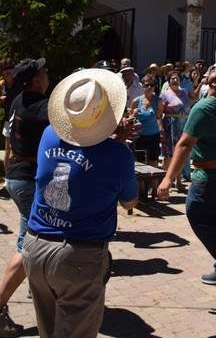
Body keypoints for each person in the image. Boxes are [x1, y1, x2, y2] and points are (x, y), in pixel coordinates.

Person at [21, 67, 138, 338]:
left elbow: (76, 159)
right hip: (78, 253)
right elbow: (129, 200)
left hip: (35, 245)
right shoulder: (117, 154)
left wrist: (109, 137)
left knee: (48, 331)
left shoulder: (49, 133)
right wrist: (118, 142)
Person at [157, 12, 216, 297]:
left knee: (198, 214)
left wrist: (167, 179)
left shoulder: (204, 108)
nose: (213, 67)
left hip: (210, 175)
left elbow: (184, 145)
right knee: (212, 218)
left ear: (214, 82)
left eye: (214, 71)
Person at [0, 59, 49, 338]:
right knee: (27, 246)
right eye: (42, 71)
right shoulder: (40, 109)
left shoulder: (19, 99)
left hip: (18, 176)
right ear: (34, 81)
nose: (46, 73)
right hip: (28, 180)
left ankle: (38, 287)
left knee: (28, 240)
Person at [130, 74, 164, 196]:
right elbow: (131, 118)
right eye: (146, 85)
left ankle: (154, 190)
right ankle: (142, 191)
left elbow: (159, 117)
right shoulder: (136, 101)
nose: (149, 87)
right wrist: (133, 115)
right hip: (140, 136)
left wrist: (161, 131)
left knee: (153, 162)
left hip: (153, 135)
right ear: (142, 86)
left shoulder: (158, 101)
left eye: (152, 85)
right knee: (140, 163)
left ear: (155, 87)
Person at [160, 71, 194, 189]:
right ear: (168, 81)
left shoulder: (184, 92)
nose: (175, 80)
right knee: (169, 155)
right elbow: (160, 113)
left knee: (180, 154)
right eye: (172, 78)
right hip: (170, 126)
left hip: (183, 125)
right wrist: (161, 128)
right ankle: (165, 180)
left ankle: (179, 180)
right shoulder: (164, 94)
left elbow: (193, 100)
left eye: (177, 78)